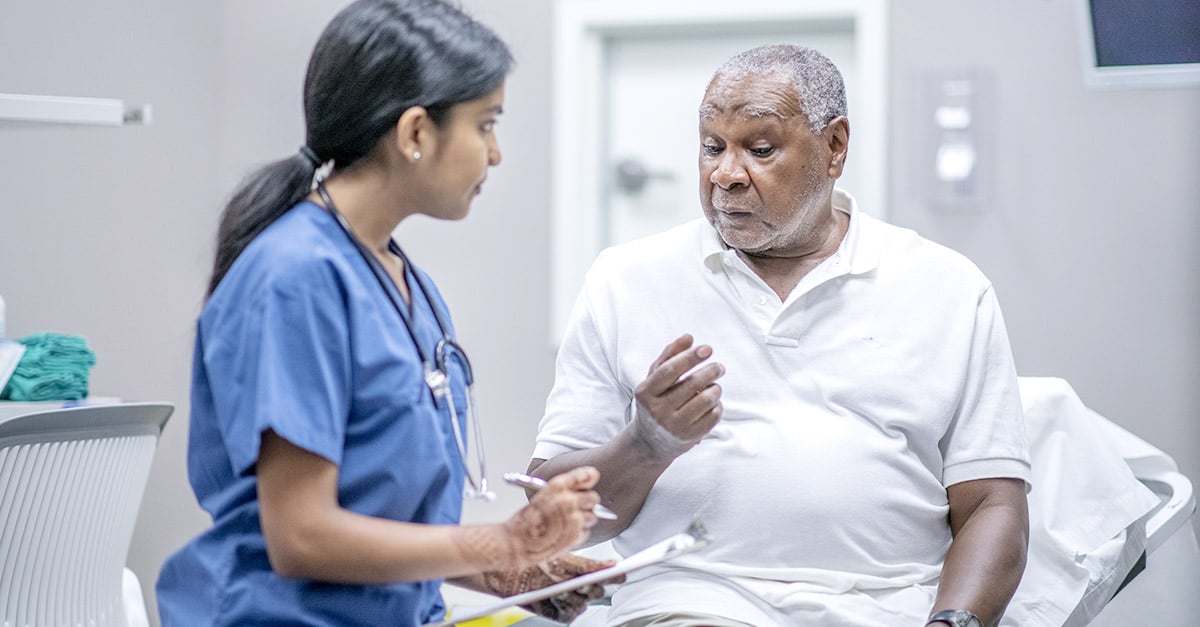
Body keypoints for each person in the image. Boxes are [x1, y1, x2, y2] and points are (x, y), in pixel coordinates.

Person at [529, 45, 1030, 627]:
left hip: (887, 608)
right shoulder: (625, 281)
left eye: (759, 150)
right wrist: (646, 443)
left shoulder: (946, 287)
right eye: (712, 147)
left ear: (835, 147)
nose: (725, 174)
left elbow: (993, 503)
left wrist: (954, 621)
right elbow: (551, 519)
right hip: (689, 604)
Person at [156, 1, 615, 625]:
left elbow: (382, 525)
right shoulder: (295, 278)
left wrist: (513, 571)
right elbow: (303, 538)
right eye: (485, 125)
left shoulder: (409, 285)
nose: (496, 153)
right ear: (416, 133)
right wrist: (502, 541)